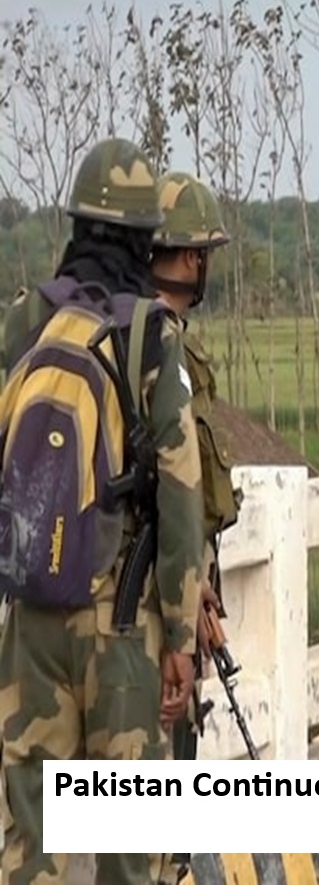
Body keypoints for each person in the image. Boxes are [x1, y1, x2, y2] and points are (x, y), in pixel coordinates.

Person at [0, 137, 206, 885]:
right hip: (119, 624)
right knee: (128, 852)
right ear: (146, 240)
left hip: (30, 619)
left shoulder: (25, 320)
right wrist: (180, 635)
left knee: (32, 843)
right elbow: (181, 489)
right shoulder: (149, 332)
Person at [148, 171, 242, 880]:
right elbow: (174, 488)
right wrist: (188, 591)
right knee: (164, 752)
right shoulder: (161, 348)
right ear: (189, 259)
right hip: (158, 598)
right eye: (205, 252)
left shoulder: (139, 337)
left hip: (170, 581)